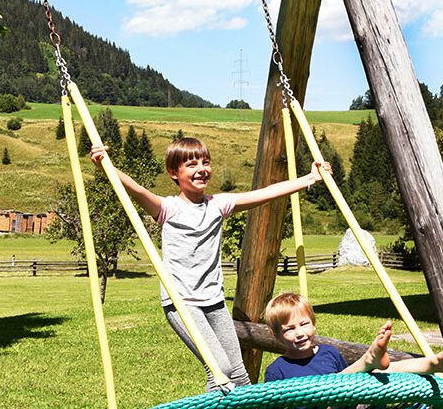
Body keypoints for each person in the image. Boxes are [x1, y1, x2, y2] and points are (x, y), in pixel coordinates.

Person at [90, 137, 326, 391]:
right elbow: (137, 191)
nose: (201, 169)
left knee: (238, 373)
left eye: (206, 162)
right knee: (219, 370)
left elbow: (264, 194)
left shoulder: (217, 205)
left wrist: (309, 179)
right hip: (181, 302)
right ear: (173, 173)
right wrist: (106, 166)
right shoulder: (168, 208)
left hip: (214, 300)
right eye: (191, 164)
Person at [262, 292, 443, 382]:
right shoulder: (277, 370)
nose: (299, 333)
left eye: (304, 324)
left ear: (314, 325)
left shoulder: (329, 353)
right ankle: (369, 360)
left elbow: (351, 381)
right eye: (289, 329)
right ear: (277, 335)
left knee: (378, 373)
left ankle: (435, 364)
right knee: (351, 376)